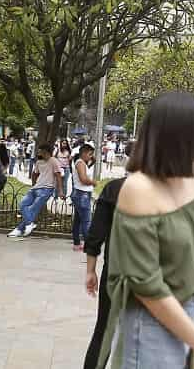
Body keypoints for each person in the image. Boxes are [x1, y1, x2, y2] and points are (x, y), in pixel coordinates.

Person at [96, 92, 194, 369]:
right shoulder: (139, 189)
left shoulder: (191, 180)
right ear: (182, 133)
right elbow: (146, 285)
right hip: (152, 327)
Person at [83, 141, 134, 369]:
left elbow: (95, 235)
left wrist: (90, 271)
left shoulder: (114, 189)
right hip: (151, 276)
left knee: (103, 328)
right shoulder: (164, 191)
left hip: (114, 271)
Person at [7, 143, 65, 238]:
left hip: (47, 188)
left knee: (33, 209)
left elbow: (58, 176)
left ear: (45, 151)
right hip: (36, 188)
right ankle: (29, 224)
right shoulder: (39, 162)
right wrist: (33, 185)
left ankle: (19, 229)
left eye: (40, 151)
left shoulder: (53, 161)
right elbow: (35, 174)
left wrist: (60, 191)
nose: (38, 152)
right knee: (23, 204)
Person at [71, 144, 97, 251]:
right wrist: (93, 182)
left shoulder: (81, 163)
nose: (91, 157)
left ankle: (77, 243)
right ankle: (89, 244)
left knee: (78, 220)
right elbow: (83, 179)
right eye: (90, 154)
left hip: (81, 194)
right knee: (86, 221)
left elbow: (86, 172)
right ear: (84, 153)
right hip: (83, 194)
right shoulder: (80, 163)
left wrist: (92, 160)